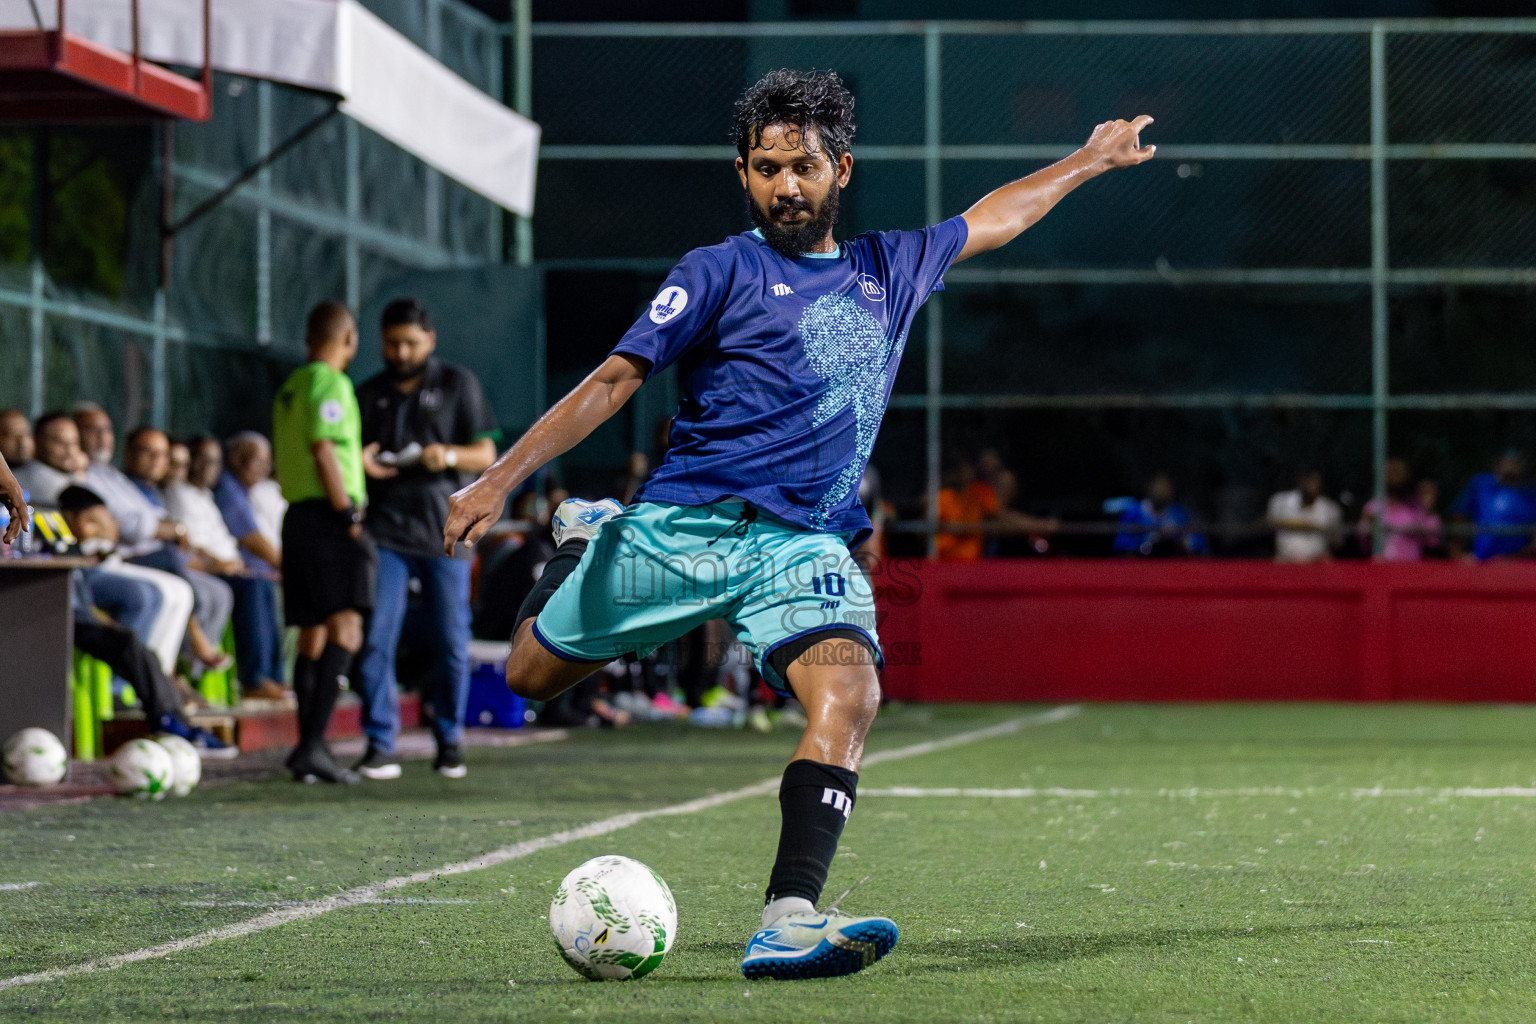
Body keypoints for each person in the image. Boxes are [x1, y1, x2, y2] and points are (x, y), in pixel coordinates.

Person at [443, 69, 1154, 979]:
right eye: (767, 168)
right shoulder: (717, 271)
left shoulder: (890, 269)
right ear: (743, 173)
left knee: (851, 695)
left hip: (804, 545)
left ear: (840, 170)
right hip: (685, 527)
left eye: (804, 167)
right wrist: (500, 479)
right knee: (530, 675)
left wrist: (1090, 161)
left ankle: (788, 919)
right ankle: (583, 540)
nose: (786, 186)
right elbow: (616, 379)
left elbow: (996, 216)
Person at [354, 298, 500, 780]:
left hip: (446, 533)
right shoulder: (367, 393)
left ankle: (450, 740)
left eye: (411, 343)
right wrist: (361, 462)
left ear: (430, 340)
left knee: (452, 640)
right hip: (385, 532)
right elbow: (349, 458)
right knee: (376, 638)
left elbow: (487, 452)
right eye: (392, 343)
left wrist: (448, 455)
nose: (400, 352)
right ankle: (380, 743)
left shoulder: (457, 383)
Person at [272, 300, 378, 784]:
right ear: (349, 338)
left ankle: (306, 747)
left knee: (313, 632)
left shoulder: (291, 386)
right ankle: (313, 746)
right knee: (348, 627)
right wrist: (347, 514)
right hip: (330, 518)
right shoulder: (330, 381)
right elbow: (323, 449)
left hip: (297, 517)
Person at [57, 486, 235, 757]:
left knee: (141, 649)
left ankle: (175, 719)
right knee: (128, 641)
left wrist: (105, 621)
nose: (98, 528)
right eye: (91, 521)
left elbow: (86, 601)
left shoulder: (72, 548)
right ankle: (166, 721)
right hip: (61, 621)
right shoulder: (56, 540)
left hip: (81, 619)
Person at [113, 424, 234, 673]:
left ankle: (184, 672)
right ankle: (163, 671)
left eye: (162, 455)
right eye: (148, 452)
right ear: (128, 453)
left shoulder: (151, 491)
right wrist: (174, 530)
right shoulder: (119, 482)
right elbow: (133, 527)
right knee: (172, 590)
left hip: (165, 560)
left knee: (218, 592)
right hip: (130, 559)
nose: (156, 460)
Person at [213, 433, 288, 701]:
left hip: (246, 567)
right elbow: (250, 537)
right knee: (256, 585)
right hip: (221, 567)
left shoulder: (248, 490)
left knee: (264, 584)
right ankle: (255, 679)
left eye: (268, 462)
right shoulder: (227, 487)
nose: (265, 468)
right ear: (237, 458)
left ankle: (274, 677)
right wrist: (288, 567)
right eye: (258, 460)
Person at [1450, 449, 1536, 561]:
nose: (1511, 466)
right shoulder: (1481, 484)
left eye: (1516, 462)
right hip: (1481, 562)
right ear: (1498, 463)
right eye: (1508, 461)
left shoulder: (1531, 495)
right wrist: (1457, 553)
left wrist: (1510, 559)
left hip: (1517, 564)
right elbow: (1458, 516)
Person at [1358, 458, 1441, 562]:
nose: (1394, 478)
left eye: (1398, 474)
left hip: (1411, 566)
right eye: (1390, 474)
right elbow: (1362, 543)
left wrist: (1425, 518)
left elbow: (1433, 541)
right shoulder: (1373, 507)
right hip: (1382, 566)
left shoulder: (1415, 507)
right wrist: (1369, 528)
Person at [1109, 473, 1205, 556]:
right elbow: (1120, 544)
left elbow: (1198, 541)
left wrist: (1182, 540)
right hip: (1140, 564)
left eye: (1165, 488)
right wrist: (1151, 538)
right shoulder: (1133, 513)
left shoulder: (1178, 513)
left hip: (1172, 563)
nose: (1161, 492)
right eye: (1158, 487)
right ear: (1149, 487)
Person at [1268, 470, 1342, 564]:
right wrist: (1310, 525)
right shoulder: (1280, 501)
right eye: (1307, 480)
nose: (1310, 485)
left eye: (1314, 481)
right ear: (1300, 481)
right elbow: (1271, 523)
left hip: (1318, 563)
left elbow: (1336, 542)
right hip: (1285, 562)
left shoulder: (1330, 508)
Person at [13, 411, 85, 506]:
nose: (70, 450)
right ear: (37, 442)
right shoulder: (35, 479)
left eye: (74, 442)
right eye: (59, 442)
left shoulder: (73, 473)